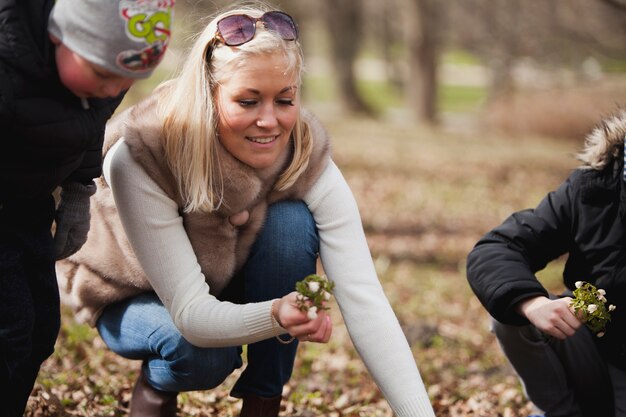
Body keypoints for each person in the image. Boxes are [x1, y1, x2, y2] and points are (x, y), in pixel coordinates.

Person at [55, 3, 437, 417]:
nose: (270, 121)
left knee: (292, 224)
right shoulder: (142, 155)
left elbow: (364, 297)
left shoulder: (300, 153)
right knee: (198, 351)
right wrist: (276, 313)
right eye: (248, 101)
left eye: (285, 100)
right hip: (131, 295)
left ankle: (263, 400)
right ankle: (156, 388)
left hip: (223, 281)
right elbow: (192, 315)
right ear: (208, 95)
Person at [0, 0, 173, 414]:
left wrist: (79, 190)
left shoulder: (97, 79)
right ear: (61, 34)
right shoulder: (8, 73)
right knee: (11, 330)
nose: (111, 91)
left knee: (41, 328)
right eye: (102, 75)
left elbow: (86, 128)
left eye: (126, 81)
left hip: (27, 209)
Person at [466, 109, 626, 417]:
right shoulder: (593, 189)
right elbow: (498, 247)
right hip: (593, 358)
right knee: (513, 311)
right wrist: (531, 302)